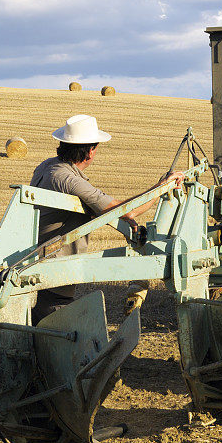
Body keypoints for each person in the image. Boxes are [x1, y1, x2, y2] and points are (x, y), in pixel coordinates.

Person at [30, 114, 183, 324]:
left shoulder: (47, 166)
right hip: (53, 265)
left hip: (36, 257)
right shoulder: (67, 179)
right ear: (91, 150)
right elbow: (127, 211)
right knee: (55, 319)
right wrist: (162, 187)